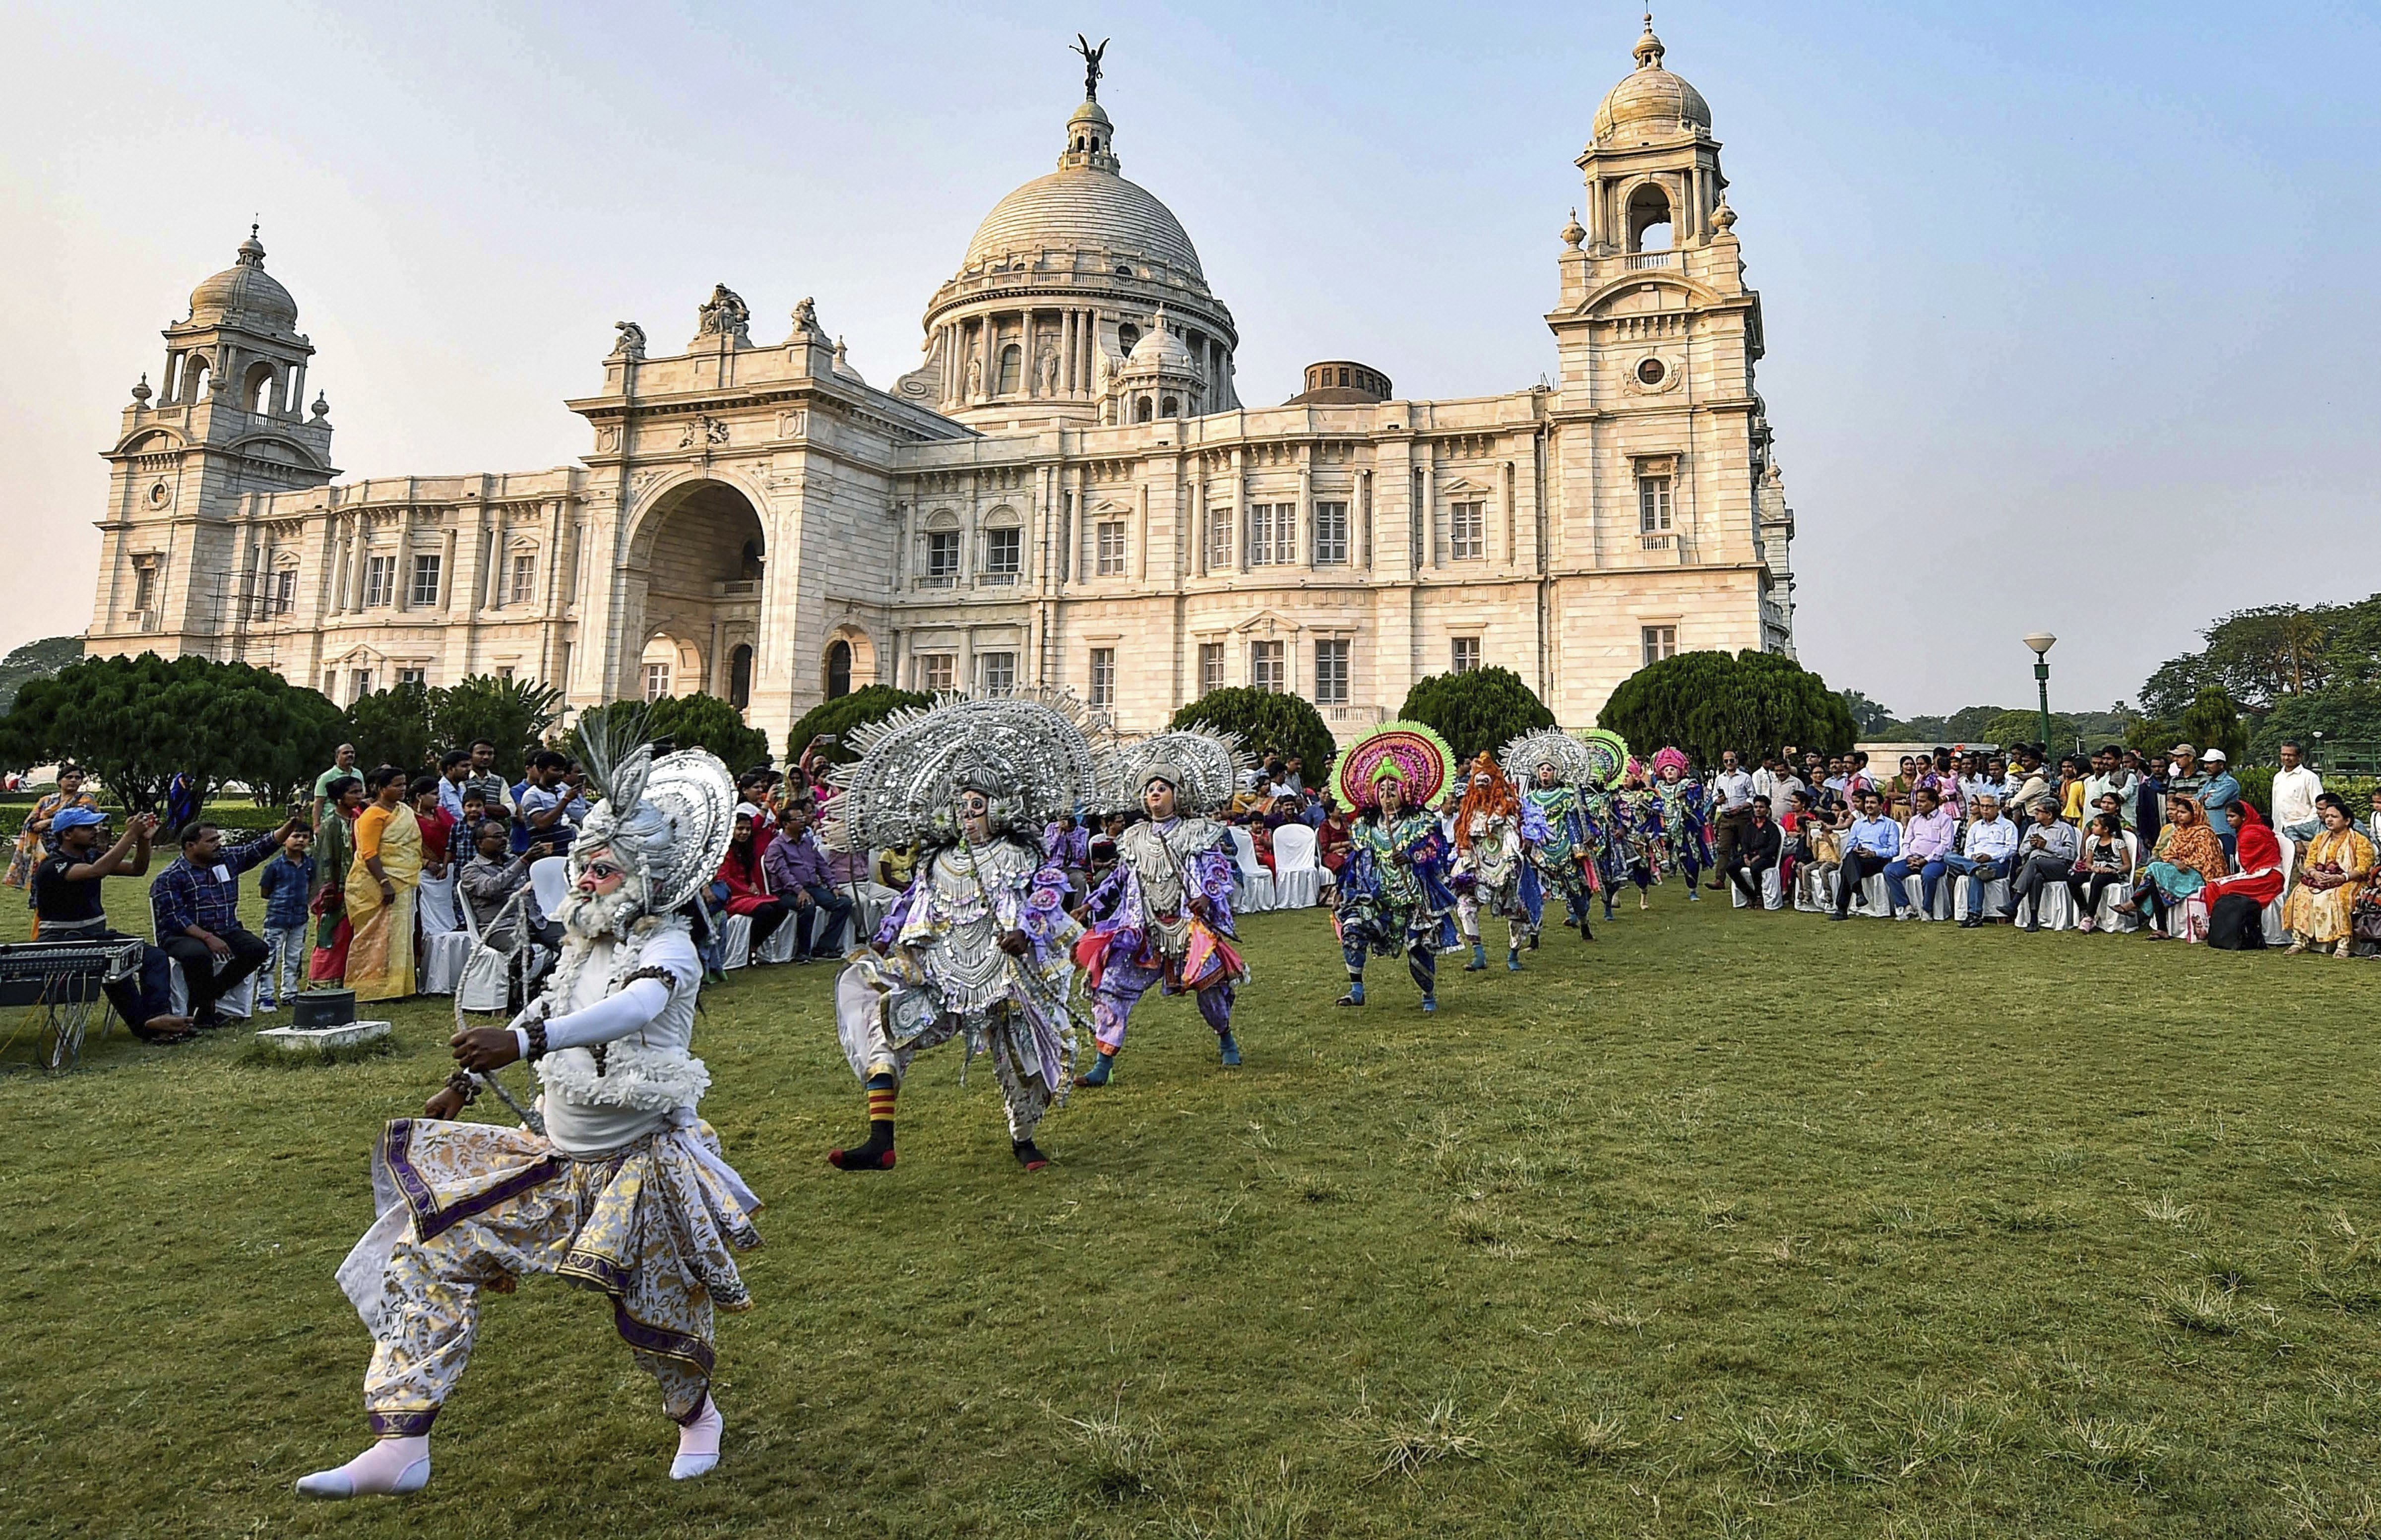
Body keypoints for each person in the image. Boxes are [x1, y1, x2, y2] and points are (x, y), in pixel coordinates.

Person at [297, 735, 754, 1500]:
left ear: (643, 879)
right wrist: (464, 1081)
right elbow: (553, 1001)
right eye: (584, 865)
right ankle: (401, 1441)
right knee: (426, 1249)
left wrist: (521, 1039)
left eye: (604, 869)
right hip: (554, 1157)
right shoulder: (582, 944)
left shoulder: (670, 946)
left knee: (656, 1319)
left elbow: (632, 1008)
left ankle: (696, 1417)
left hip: (641, 1170)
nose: (586, 879)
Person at [825, 693, 1105, 1174]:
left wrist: (1025, 934)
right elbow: (915, 901)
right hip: (940, 972)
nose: (967, 817)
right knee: (886, 1023)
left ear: (997, 810)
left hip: (1005, 975)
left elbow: (1045, 897)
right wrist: (886, 937)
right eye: (961, 809)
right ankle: (880, 1140)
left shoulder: (1021, 856)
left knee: (1022, 1059)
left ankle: (1024, 1139)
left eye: (976, 808)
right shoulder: (937, 861)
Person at [1075, 733, 1248, 1088]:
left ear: (1177, 795)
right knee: (1112, 986)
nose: (1155, 793)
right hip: (1144, 931)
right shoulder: (1134, 837)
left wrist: (1206, 898)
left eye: (1162, 788)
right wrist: (1089, 904)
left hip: (1189, 929)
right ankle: (1103, 1063)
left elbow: (1219, 870)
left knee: (1212, 991)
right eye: (1150, 788)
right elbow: (1121, 878)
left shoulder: (1197, 832)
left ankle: (1226, 1037)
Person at [31, 807, 190, 1041]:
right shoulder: (53, 866)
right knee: (116, 965)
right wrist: (131, 835)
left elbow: (137, 869)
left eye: (95, 826)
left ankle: (158, 1018)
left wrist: (144, 841)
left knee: (153, 957)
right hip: (63, 941)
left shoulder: (91, 857)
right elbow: (97, 872)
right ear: (67, 834)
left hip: (94, 937)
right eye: (87, 828)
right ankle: (150, 1028)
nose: (95, 831)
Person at [1331, 728, 1458, 1012]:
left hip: (1412, 899)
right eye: (1382, 791)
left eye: (1393, 790)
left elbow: (1438, 848)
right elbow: (1356, 864)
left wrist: (1413, 857)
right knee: (1352, 928)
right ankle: (1357, 989)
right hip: (1377, 901)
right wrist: (1345, 891)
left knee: (1418, 949)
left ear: (1405, 791)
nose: (1388, 796)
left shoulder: (1422, 822)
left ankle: (1428, 995)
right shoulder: (1364, 828)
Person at [151, 809, 303, 1026]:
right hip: (182, 935)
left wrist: (292, 825)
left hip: (225, 929)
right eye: (211, 841)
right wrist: (207, 937)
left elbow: (261, 847)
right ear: (190, 846)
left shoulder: (227, 859)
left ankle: (213, 992)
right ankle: (203, 1013)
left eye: (218, 839)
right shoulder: (171, 876)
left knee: (258, 949)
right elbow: (174, 918)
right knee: (198, 954)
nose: (218, 844)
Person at [1449, 753, 1545, 971]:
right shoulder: (1468, 812)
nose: (1482, 786)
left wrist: (1514, 857)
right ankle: (1479, 955)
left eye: (1487, 781)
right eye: (1478, 781)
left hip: (1506, 867)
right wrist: (1465, 860)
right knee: (1464, 907)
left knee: (1518, 913)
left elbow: (1514, 834)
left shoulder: (1509, 807)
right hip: (1477, 868)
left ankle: (1513, 956)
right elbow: (1463, 839)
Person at [340, 767, 427, 1003]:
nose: (403, 789)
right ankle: (369, 988)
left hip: (404, 881)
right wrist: (385, 883)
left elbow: (411, 846)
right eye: (397, 785)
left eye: (404, 784)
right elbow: (369, 853)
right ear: (380, 788)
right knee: (375, 935)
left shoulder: (404, 811)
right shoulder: (372, 815)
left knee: (399, 935)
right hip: (377, 884)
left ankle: (397, 987)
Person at [1506, 732, 1599, 941]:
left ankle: (1584, 924)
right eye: (1541, 770)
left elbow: (1581, 820)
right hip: (1538, 853)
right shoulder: (1529, 799)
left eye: (1549, 770)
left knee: (1577, 892)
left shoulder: (1568, 795)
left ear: (1556, 773)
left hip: (1566, 850)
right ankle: (1534, 938)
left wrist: (1586, 838)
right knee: (1535, 893)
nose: (1545, 773)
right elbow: (1525, 824)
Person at [2119, 794, 2227, 937]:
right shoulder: (2180, 833)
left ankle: (2137, 905)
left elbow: (2207, 861)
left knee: (2154, 872)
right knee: (2154, 877)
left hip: (2199, 875)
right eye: (2178, 812)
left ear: (2194, 813)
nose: (2179, 815)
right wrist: (2175, 862)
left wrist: (2183, 863)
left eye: (2183, 812)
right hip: (2179, 871)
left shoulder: (2205, 833)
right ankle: (2159, 927)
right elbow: (2167, 854)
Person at [760, 802, 853, 963]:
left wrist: (833, 887)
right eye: (799, 819)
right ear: (786, 824)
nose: (803, 821)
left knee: (843, 903)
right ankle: (803, 952)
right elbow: (783, 874)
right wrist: (799, 891)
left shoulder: (807, 842)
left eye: (803, 817)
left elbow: (822, 866)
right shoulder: (776, 847)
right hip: (786, 892)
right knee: (807, 905)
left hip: (812, 888)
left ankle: (824, 947)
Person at [2282, 799, 2375, 958]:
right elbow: (2310, 862)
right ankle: (2300, 941)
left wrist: (2341, 877)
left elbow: (2363, 868)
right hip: (2320, 879)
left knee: (2338, 896)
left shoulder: (2359, 841)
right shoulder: (2320, 839)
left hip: (2351, 881)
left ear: (2347, 821)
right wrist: (2314, 874)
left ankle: (2343, 944)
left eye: (2334, 817)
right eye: (2327, 816)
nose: (2329, 820)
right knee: (2301, 893)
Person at [7, 763, 101, 892]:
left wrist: (47, 822)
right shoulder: (47, 801)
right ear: (59, 781)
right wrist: (45, 824)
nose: (74, 780)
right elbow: (30, 823)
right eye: (69, 777)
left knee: (71, 889)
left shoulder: (86, 799)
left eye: (78, 778)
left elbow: (79, 819)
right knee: (44, 890)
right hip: (44, 852)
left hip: (73, 852)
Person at [714, 812, 794, 956]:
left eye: (748, 829)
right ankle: (751, 948)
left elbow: (749, 872)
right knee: (766, 911)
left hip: (747, 894)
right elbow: (724, 878)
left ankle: (754, 944)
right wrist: (747, 889)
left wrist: (752, 884)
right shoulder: (724, 850)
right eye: (740, 829)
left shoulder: (746, 848)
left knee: (782, 908)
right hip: (732, 895)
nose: (744, 833)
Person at [311, 775, 366, 983]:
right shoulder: (331, 824)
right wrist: (329, 892)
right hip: (337, 891)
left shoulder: (358, 819)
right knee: (331, 936)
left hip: (357, 887)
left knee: (350, 937)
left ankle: (345, 978)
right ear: (339, 798)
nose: (359, 796)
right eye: (353, 792)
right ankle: (322, 981)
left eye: (360, 791)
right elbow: (324, 859)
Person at [255, 822, 316, 1010]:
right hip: (276, 919)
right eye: (295, 836)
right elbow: (265, 891)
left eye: (305, 837)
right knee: (269, 959)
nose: (300, 840)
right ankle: (265, 996)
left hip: (299, 919)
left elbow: (311, 888)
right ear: (284, 841)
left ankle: (290, 993)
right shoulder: (274, 867)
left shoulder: (309, 865)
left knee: (294, 957)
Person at [2199, 800, 2284, 924]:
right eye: (2227, 817)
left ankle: (2228, 927)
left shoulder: (2251, 834)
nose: (2228, 820)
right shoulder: (2245, 832)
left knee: (2225, 889)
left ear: (2244, 817)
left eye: (2232, 816)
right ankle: (2216, 926)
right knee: (2212, 886)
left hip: (2269, 877)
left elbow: (2246, 862)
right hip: (2254, 873)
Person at [1947, 793, 2019, 926]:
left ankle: (1974, 915)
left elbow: (2012, 849)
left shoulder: (2008, 826)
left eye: (1989, 806)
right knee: (1948, 857)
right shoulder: (1976, 826)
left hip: (1997, 864)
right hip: (1975, 862)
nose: (1985, 809)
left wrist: (1991, 857)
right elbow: (1968, 848)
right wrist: (1972, 858)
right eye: (1983, 806)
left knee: (1977, 874)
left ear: (1997, 808)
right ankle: (1975, 868)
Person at [1649, 747, 1712, 899]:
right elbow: (1654, 803)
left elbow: (1699, 798)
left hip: (1686, 830)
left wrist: (1686, 795)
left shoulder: (1688, 784)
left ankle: (1692, 889)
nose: (1670, 772)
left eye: (1673, 769)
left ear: (1680, 770)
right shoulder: (1659, 788)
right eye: (1667, 770)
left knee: (1691, 859)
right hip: (1665, 829)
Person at [1884, 785, 1955, 918]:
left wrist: (1926, 860)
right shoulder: (1914, 820)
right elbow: (1906, 842)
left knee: (1928, 874)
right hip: (1913, 859)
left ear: (1933, 803)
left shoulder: (1945, 820)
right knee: (1889, 870)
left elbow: (1946, 845)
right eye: (1917, 801)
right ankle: (1906, 907)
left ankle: (1926, 910)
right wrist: (1909, 857)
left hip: (1935, 861)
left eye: (1922, 801)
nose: (1918, 804)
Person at [2009, 800, 2081, 931]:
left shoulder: (2065, 829)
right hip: (2035, 867)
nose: (2035, 813)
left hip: (2059, 866)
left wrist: (2046, 846)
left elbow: (2071, 854)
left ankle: (2015, 902)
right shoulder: (2033, 828)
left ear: (2049, 814)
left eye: (2038, 811)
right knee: (2036, 877)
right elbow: (2021, 851)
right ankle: (2034, 920)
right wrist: (2031, 845)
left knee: (2034, 864)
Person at [1831, 789, 1900, 920]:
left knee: (1848, 866)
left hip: (1879, 860)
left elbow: (1894, 850)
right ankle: (1858, 893)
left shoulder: (1890, 824)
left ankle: (1842, 908)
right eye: (1867, 802)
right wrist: (1855, 851)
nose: (1869, 805)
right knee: (1850, 858)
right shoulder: (1858, 824)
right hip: (1859, 859)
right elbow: (1850, 846)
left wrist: (1873, 853)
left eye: (1873, 803)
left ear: (1881, 805)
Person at [2067, 813, 2136, 932]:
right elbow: (2088, 863)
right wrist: (2093, 868)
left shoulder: (2118, 843)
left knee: (2099, 880)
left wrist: (2114, 870)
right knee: (2073, 880)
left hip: (2113, 873)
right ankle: (2084, 909)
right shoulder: (2093, 843)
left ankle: (2090, 916)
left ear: (2106, 829)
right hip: (2097, 870)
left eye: (2096, 825)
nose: (2093, 828)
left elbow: (2128, 866)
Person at [1723, 795, 1783, 909]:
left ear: (1767, 809)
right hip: (1749, 855)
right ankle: (1750, 895)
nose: (1758, 810)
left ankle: (1759, 896)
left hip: (1766, 858)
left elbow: (1773, 847)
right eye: (1756, 807)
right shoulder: (1750, 826)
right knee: (1731, 867)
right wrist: (1745, 856)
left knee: (1755, 868)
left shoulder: (1772, 827)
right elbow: (1744, 843)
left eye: (1761, 807)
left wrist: (1758, 857)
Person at [1706, 749, 1754, 887]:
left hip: (1742, 817)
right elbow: (1714, 796)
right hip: (1726, 817)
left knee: (1747, 847)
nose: (1729, 763)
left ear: (1737, 761)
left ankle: (1751, 876)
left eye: (1731, 760)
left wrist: (1742, 807)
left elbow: (1753, 797)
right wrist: (1717, 801)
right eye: (1726, 761)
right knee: (1723, 849)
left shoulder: (1745, 777)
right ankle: (1719, 880)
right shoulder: (1720, 779)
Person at [2271, 740, 2324, 843]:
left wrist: (2305, 825)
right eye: (2284, 755)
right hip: (2281, 831)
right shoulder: (2278, 777)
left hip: (2303, 833)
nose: (2286, 758)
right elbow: (2275, 806)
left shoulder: (2309, 777)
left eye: (2290, 755)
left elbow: (2319, 806)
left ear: (2299, 757)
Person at [2197, 749, 2241, 858]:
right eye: (2205, 763)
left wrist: (2204, 799)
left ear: (2221, 765)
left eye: (2210, 763)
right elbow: (2196, 800)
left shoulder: (2229, 783)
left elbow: (2214, 802)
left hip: (2225, 833)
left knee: (2228, 866)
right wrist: (2204, 799)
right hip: (2208, 833)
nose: (2206, 766)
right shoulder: (2209, 783)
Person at [313, 743, 360, 828]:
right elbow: (319, 803)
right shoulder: (326, 777)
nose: (350, 755)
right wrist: (316, 826)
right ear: (337, 757)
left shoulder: (358, 774)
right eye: (346, 753)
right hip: (331, 823)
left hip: (353, 821)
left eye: (352, 753)